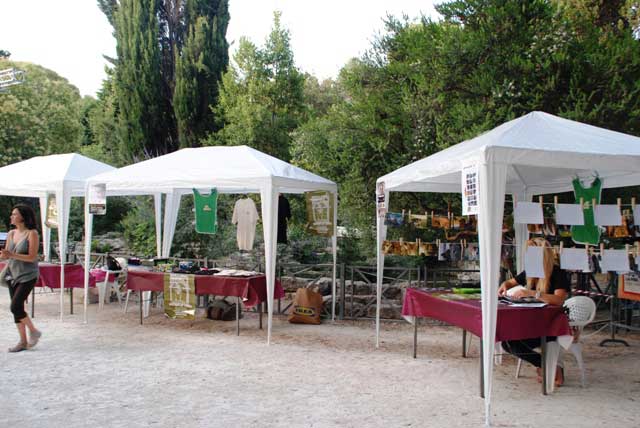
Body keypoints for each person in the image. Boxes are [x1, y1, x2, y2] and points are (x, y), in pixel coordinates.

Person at [498, 237, 569, 386]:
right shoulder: (531, 271)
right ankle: (546, 365)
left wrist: (532, 293)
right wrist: (505, 285)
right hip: (532, 323)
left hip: (550, 326)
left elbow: (559, 300)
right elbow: (511, 282)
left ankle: (551, 368)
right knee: (508, 342)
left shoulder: (557, 272)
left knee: (512, 343)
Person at [1, 204, 41, 352]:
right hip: (12, 274)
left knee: (15, 306)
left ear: (23, 217)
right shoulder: (11, 233)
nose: (11, 216)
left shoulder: (32, 233)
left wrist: (11, 255)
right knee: (17, 309)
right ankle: (23, 341)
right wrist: (4, 255)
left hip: (28, 275)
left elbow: (32, 257)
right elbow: (6, 256)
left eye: (14, 214)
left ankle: (34, 331)